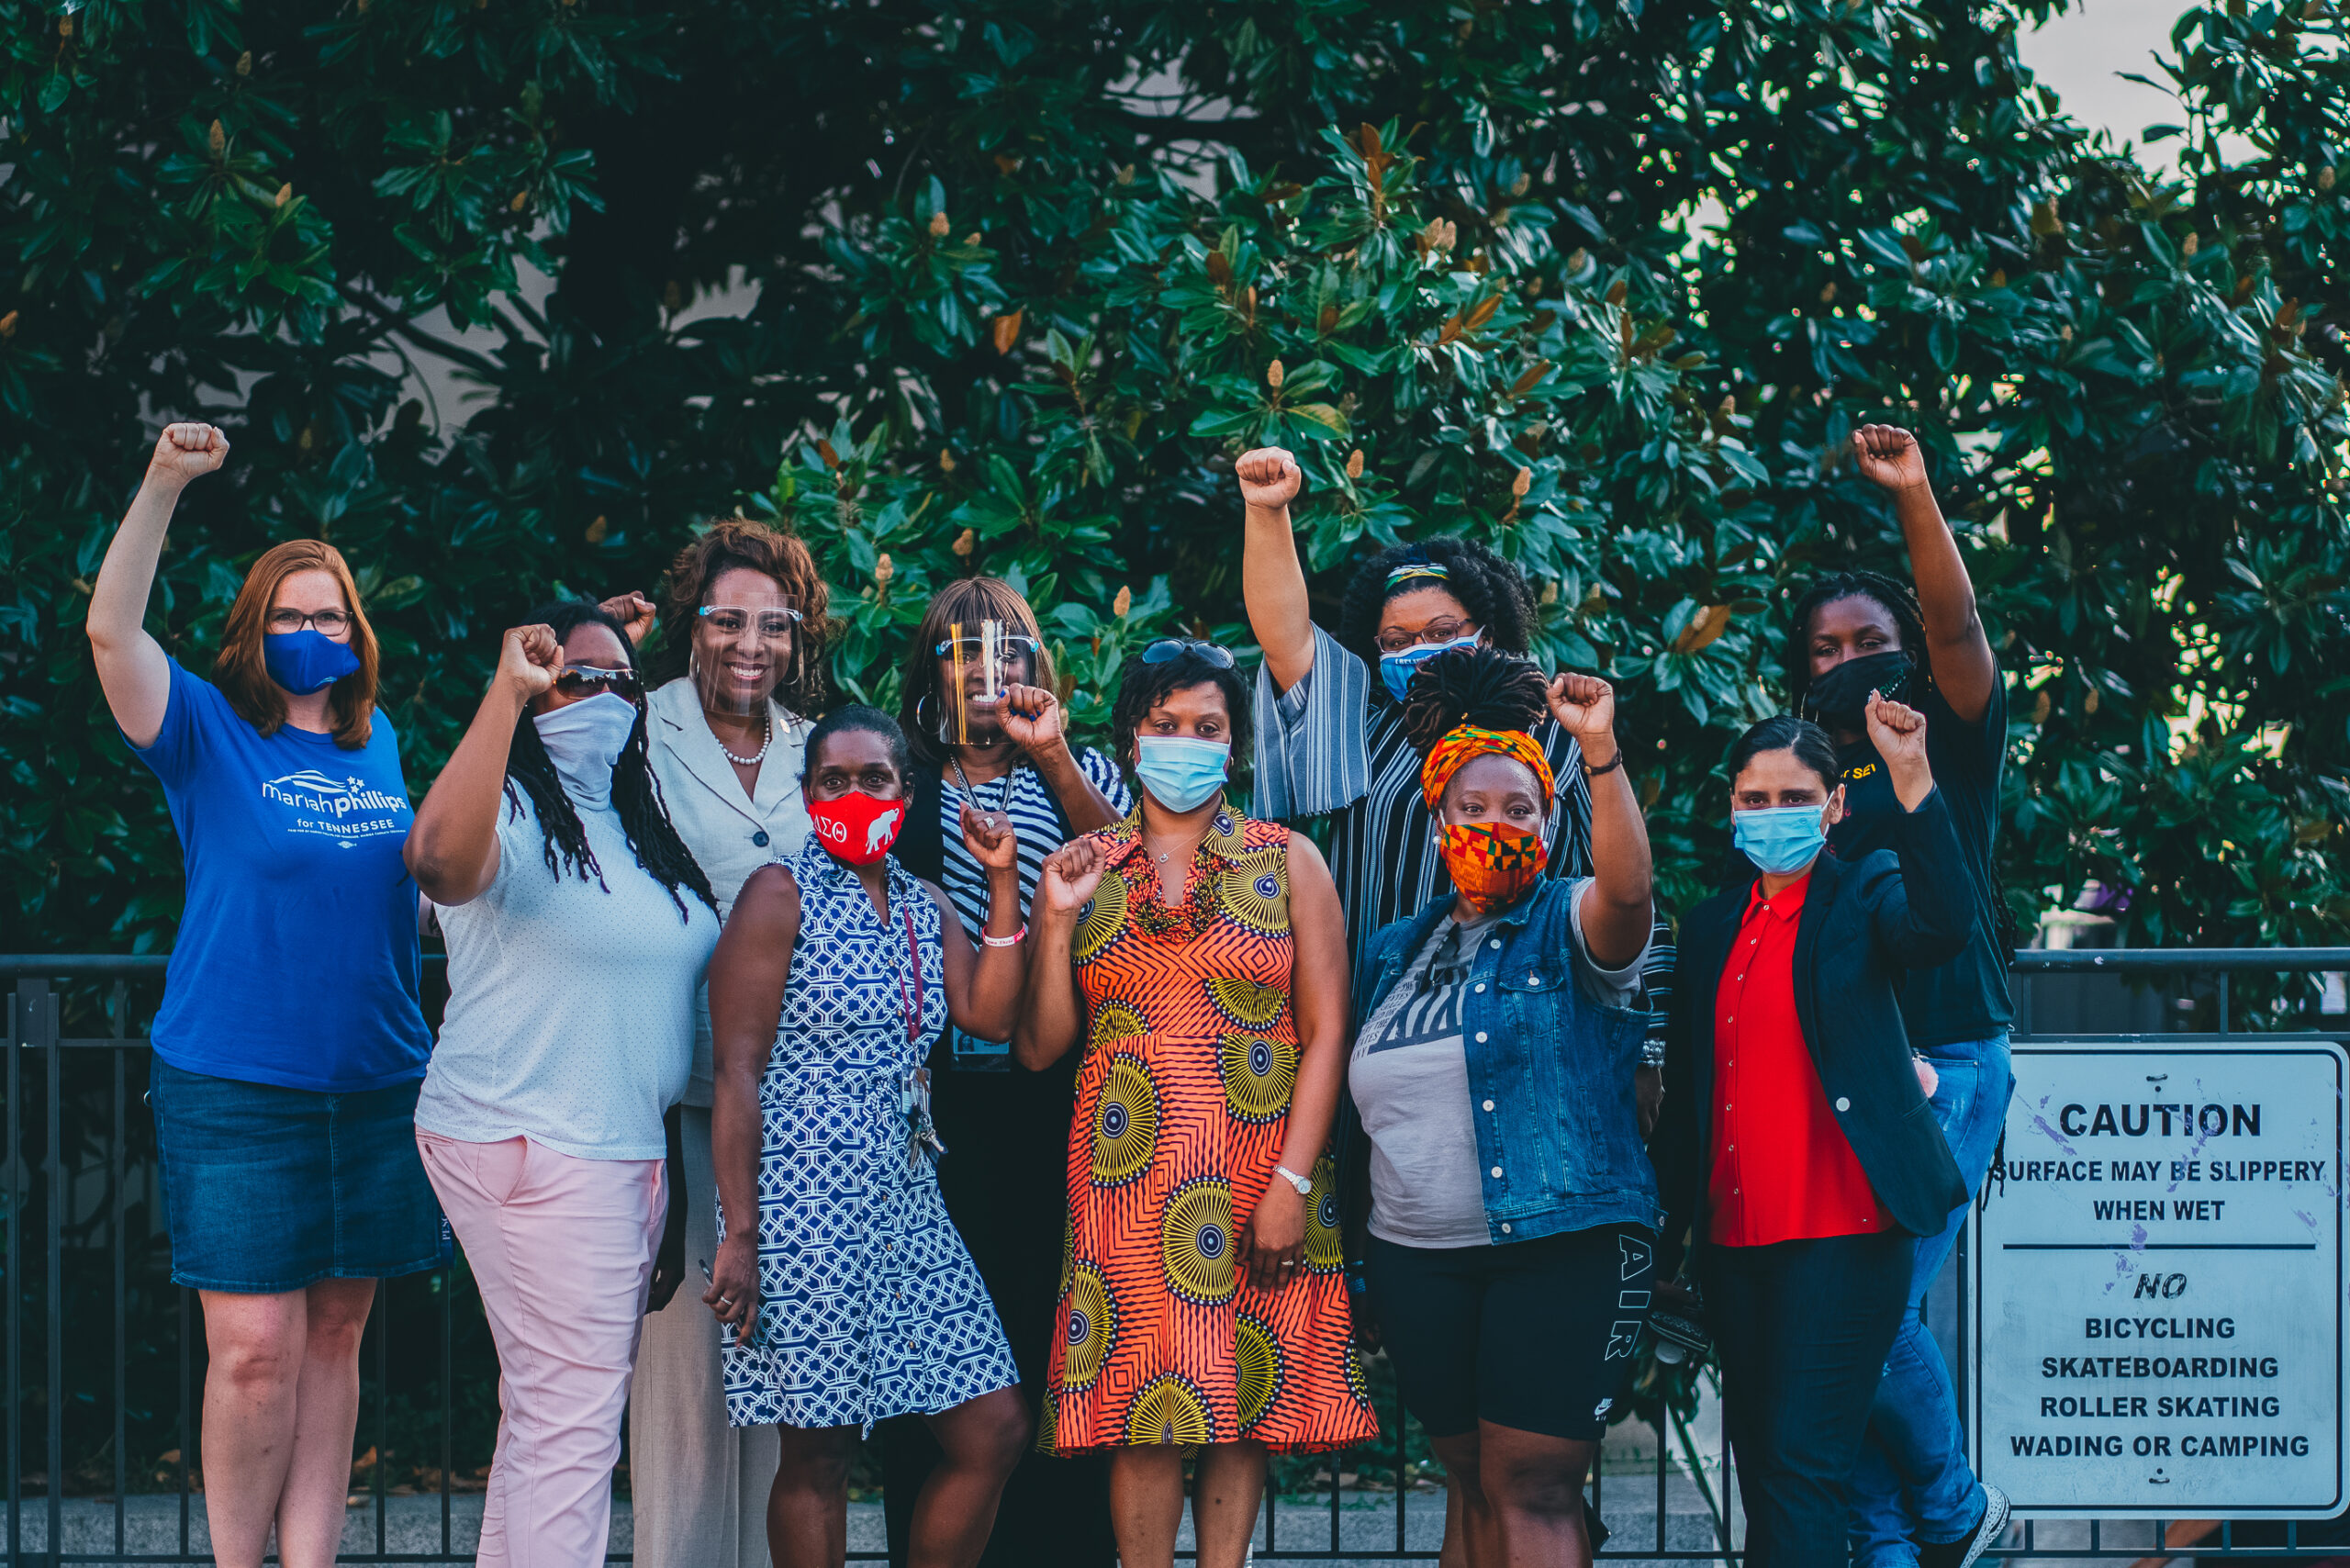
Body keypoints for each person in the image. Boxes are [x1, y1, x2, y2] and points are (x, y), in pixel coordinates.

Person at [89, 423, 446, 1568]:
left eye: (328, 614)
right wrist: (161, 481)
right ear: (256, 630)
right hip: (238, 1085)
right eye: (288, 615)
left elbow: (403, 890)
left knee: (336, 1339)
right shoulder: (203, 730)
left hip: (377, 1078)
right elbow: (110, 628)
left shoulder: (378, 740)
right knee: (252, 1349)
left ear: (356, 633)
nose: (309, 632)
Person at [1015, 640, 1381, 1568]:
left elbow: (1327, 1030)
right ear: (1131, 739)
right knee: (1143, 1404)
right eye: (1165, 724)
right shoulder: (1083, 863)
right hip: (1126, 1175)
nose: (1185, 742)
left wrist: (1293, 1179)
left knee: (1238, 1398)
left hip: (1263, 1164)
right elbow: (1042, 1044)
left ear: (1235, 744)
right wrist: (1055, 921)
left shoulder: (1289, 859)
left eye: (1207, 728)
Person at [405, 601, 722, 1568]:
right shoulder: (503, 804)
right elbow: (435, 863)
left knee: (545, 1416)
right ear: (532, 686)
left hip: (614, 1149)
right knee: (574, 1429)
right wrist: (508, 689)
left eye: (622, 681)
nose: (603, 697)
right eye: (573, 678)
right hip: (536, 1139)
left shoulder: (630, 822)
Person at [1233, 447, 1673, 1129]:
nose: (1418, 648)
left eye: (1442, 632)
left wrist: (1647, 1045)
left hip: (1527, 1026)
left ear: (1487, 632)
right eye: (1396, 640)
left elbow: (1625, 888)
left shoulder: (1553, 733)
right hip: (1376, 1024)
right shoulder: (1363, 726)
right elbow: (1285, 636)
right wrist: (1267, 511)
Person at [1342, 647, 1659, 1568]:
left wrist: (1597, 752)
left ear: (1550, 820)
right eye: (1470, 808)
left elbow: (1631, 896)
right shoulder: (1395, 950)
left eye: (1517, 807)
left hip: (1556, 1247)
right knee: (1472, 1482)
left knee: (1534, 1487)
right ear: (1437, 818)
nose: (1493, 823)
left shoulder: (1571, 921)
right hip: (1416, 1263)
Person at [703, 706, 1032, 1568]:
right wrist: (742, 1235)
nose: (853, 794)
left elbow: (989, 1015)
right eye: (833, 780)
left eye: (873, 778)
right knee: (821, 1452)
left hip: (906, 1199)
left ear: (906, 791)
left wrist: (1002, 884)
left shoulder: (925, 904)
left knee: (992, 1426)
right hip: (802, 1204)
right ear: (807, 793)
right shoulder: (780, 893)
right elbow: (736, 1071)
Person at [1651, 705, 1975, 1568]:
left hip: (1845, 1233)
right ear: (1730, 805)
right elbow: (1688, 1098)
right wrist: (1664, 1243)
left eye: (1795, 795)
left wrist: (1912, 776)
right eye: (1754, 798)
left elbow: (1942, 927)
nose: (1772, 813)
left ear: (1832, 805)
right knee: (1763, 1464)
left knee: (1803, 1460)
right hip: (1734, 1242)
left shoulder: (1865, 889)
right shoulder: (1713, 923)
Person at [602, 518, 837, 1568]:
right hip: (675, 1088)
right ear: (692, 626)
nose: (751, 642)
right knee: (691, 1386)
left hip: (801, 1101)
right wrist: (584, 657)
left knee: (782, 1389)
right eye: (729, 620)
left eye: (772, 625)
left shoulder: (815, 747)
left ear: (796, 636)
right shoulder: (632, 729)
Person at [880, 578, 1125, 1568]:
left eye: (1009, 653)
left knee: (1058, 1344)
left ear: (1038, 670)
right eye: (964, 654)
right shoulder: (901, 778)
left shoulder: (1077, 765)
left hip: (1061, 1098)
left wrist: (1051, 756)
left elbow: (1133, 866)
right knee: (944, 1367)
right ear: (929, 673)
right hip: (936, 1111)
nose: (989, 674)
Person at [1808, 426, 2015, 1568]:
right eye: (1827, 644)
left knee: (1868, 1308)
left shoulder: (1950, 734)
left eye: (1869, 640)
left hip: (1949, 1049)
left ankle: (1949, 1507)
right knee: (1846, 1324)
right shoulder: (1801, 774)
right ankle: (1886, 1546)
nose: (1850, 658)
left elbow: (1958, 629)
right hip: (1848, 1076)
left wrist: (1915, 494)